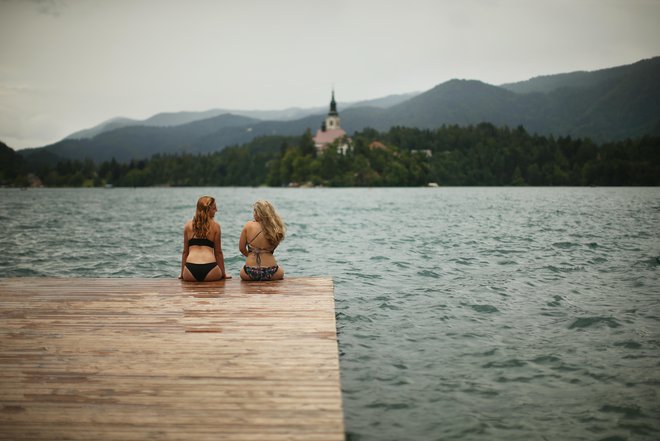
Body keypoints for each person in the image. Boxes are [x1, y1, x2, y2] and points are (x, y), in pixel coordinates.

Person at [180, 196, 230, 282]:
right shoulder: (216, 226)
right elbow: (218, 253)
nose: (217, 210)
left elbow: (185, 252)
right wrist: (223, 274)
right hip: (210, 269)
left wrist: (182, 274)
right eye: (214, 208)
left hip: (190, 270)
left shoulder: (187, 226)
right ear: (208, 209)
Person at [239, 200, 285, 281]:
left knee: (242, 272)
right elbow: (272, 249)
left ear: (258, 213)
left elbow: (241, 248)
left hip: (249, 271)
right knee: (281, 271)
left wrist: (250, 255)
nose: (253, 214)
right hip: (271, 270)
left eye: (255, 211)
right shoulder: (275, 228)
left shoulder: (248, 225)